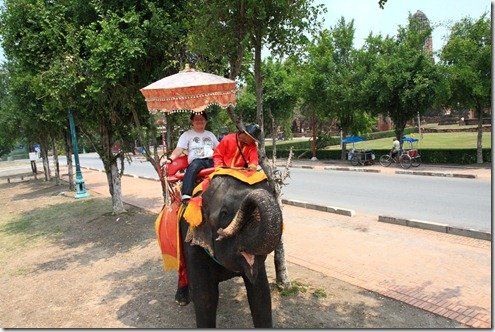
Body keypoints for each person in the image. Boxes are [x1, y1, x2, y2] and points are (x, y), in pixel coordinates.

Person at [166, 112, 219, 202]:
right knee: (192, 168)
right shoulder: (187, 134)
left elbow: (219, 148)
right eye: (196, 119)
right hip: (197, 160)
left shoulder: (210, 134)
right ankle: (186, 195)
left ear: (206, 121)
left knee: (223, 169)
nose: (199, 121)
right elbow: (179, 149)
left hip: (211, 160)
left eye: (201, 119)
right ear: (192, 122)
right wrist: (170, 159)